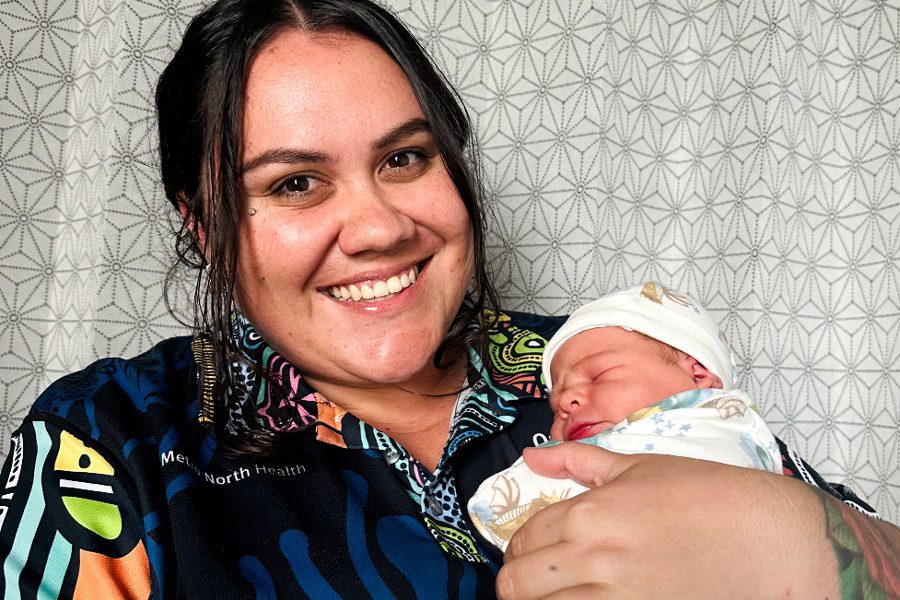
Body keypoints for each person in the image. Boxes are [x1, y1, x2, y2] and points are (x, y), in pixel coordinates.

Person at [0, 0, 896, 598]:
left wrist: (804, 543)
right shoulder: (113, 437)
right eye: (297, 184)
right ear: (203, 226)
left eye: (404, 158)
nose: (379, 226)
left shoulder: (602, 359)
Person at [468, 281, 783, 552]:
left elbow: (501, 504)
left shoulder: (719, 426)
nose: (565, 400)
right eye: (555, 405)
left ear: (698, 377)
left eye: (599, 375)